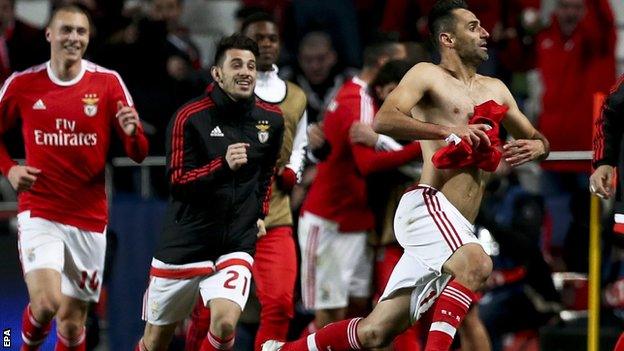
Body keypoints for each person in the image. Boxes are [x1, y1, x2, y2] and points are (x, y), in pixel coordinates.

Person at [262, 1, 549, 350]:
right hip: (427, 205)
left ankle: (284, 350)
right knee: (477, 264)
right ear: (448, 39)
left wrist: (538, 148)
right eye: (473, 27)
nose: (486, 32)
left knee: (375, 332)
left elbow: (537, 137)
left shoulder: (497, 89)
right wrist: (449, 130)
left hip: (457, 225)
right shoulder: (427, 75)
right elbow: (384, 119)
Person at [0, 5, 149, 350]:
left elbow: (139, 152)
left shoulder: (108, 82)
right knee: (46, 304)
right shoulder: (23, 84)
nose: (74, 38)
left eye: (81, 32)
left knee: (71, 324)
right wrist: (10, 168)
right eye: (66, 30)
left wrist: (132, 133)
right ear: (49, 34)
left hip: (89, 218)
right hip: (40, 210)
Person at [135, 33, 284, 351]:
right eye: (236, 64)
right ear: (217, 74)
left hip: (235, 242)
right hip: (186, 243)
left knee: (225, 323)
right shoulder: (189, 118)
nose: (245, 71)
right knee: (155, 341)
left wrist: (259, 213)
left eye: (251, 66)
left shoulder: (271, 120)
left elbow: (265, 174)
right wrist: (221, 165)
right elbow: (176, 181)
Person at [185, 13, 307, 351]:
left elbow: (299, 144)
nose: (266, 44)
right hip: (222, 222)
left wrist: (293, 169)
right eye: (258, 38)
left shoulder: (294, 97)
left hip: (275, 216)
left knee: (281, 304)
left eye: (272, 38)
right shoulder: (207, 106)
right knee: (209, 315)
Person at [297, 38, 421, 333]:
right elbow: (365, 163)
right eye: (397, 65)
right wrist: (421, 148)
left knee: (357, 310)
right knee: (330, 313)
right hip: (329, 222)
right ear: (381, 65)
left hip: (357, 221)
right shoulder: (361, 101)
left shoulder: (362, 96)